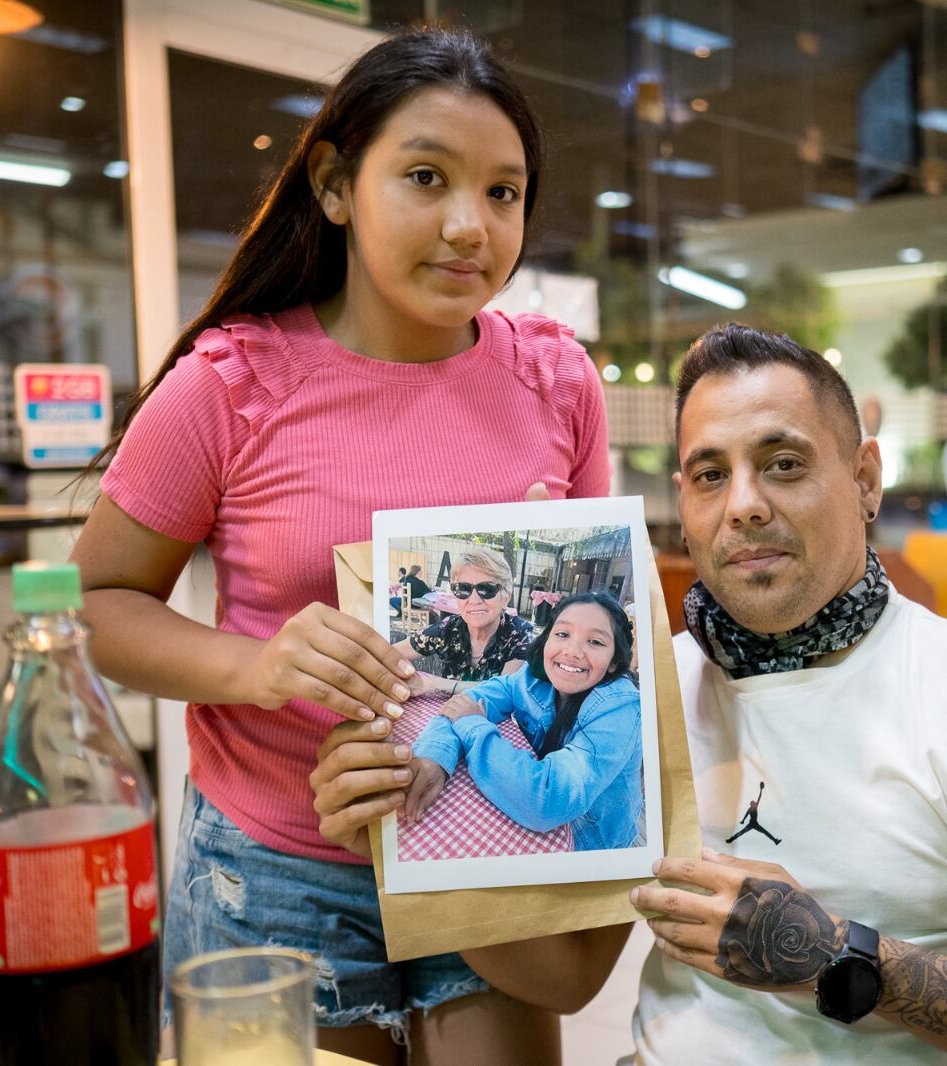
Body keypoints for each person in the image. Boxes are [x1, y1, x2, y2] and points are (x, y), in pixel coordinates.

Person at [312, 323, 947, 1063]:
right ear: (684, 503)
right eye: (711, 475)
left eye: (783, 464)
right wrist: (396, 837)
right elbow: (567, 980)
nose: (743, 505)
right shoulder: (651, 691)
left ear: (864, 480)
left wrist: (838, 960)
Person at [68, 28, 624, 1065]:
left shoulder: (557, 381)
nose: (470, 226)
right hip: (281, 865)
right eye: (426, 177)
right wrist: (260, 665)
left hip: (486, 835)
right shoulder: (230, 386)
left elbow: (598, 620)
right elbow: (94, 603)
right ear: (333, 185)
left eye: (504, 193)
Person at [403, 592, 644, 851]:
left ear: (614, 660)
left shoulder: (620, 708)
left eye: (595, 641)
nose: (572, 652)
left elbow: (547, 800)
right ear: (547, 637)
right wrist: (435, 756)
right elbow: (466, 703)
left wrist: (473, 725)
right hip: (525, 819)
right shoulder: (532, 677)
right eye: (562, 634)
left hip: (593, 845)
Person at [395, 548, 534, 688]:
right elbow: (389, 654)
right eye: (463, 588)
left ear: (506, 597)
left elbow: (504, 691)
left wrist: (436, 684)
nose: (474, 600)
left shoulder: (519, 632)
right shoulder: (448, 628)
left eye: (487, 588)